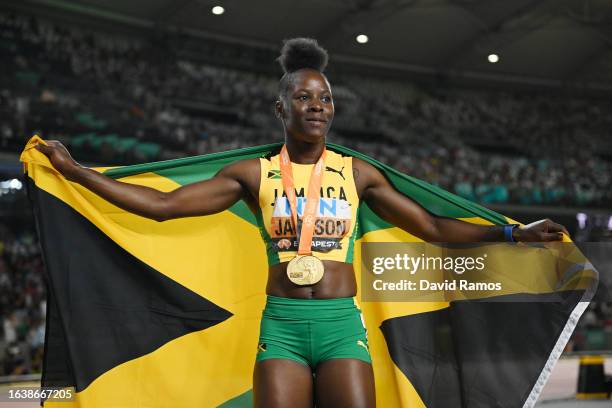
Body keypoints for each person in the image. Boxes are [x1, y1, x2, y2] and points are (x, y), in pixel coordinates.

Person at [35, 38, 569, 408]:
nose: (317, 105)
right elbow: (164, 206)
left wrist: (512, 233)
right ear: (281, 107)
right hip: (282, 329)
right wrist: (78, 174)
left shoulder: (357, 175)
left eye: (326, 98)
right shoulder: (253, 173)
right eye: (304, 97)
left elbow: (431, 227)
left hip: (341, 326)